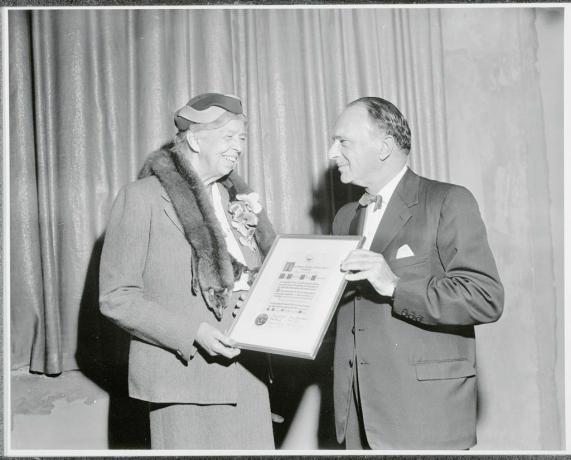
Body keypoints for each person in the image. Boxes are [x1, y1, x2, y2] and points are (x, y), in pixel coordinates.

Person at [99, 93, 276, 449]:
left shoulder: (239, 201)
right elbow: (116, 297)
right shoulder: (142, 197)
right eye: (227, 137)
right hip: (186, 381)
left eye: (241, 138)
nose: (237, 147)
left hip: (250, 379)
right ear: (194, 139)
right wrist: (192, 331)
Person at [328, 97, 504, 450]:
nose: (333, 153)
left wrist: (394, 285)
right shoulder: (345, 217)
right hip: (358, 418)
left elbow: (486, 298)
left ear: (384, 147)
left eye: (343, 141)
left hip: (424, 418)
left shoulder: (448, 201)